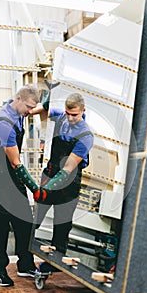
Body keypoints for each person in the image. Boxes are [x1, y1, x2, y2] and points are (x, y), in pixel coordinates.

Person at [0, 84, 41, 287]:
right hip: (0, 172)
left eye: (32, 107)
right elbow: (16, 162)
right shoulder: (3, 123)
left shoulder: (20, 109)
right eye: (27, 107)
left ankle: (25, 264)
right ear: (18, 99)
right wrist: (35, 188)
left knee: (24, 219)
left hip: (11, 170)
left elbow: (36, 108)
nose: (29, 111)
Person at [31, 92, 94, 273]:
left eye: (74, 114)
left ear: (83, 111)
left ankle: (53, 264)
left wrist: (46, 189)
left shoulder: (86, 135)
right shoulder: (61, 117)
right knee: (35, 218)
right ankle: (25, 255)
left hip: (69, 182)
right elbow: (45, 108)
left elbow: (68, 167)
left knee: (62, 224)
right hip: (50, 173)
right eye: (67, 113)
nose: (70, 117)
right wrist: (29, 110)